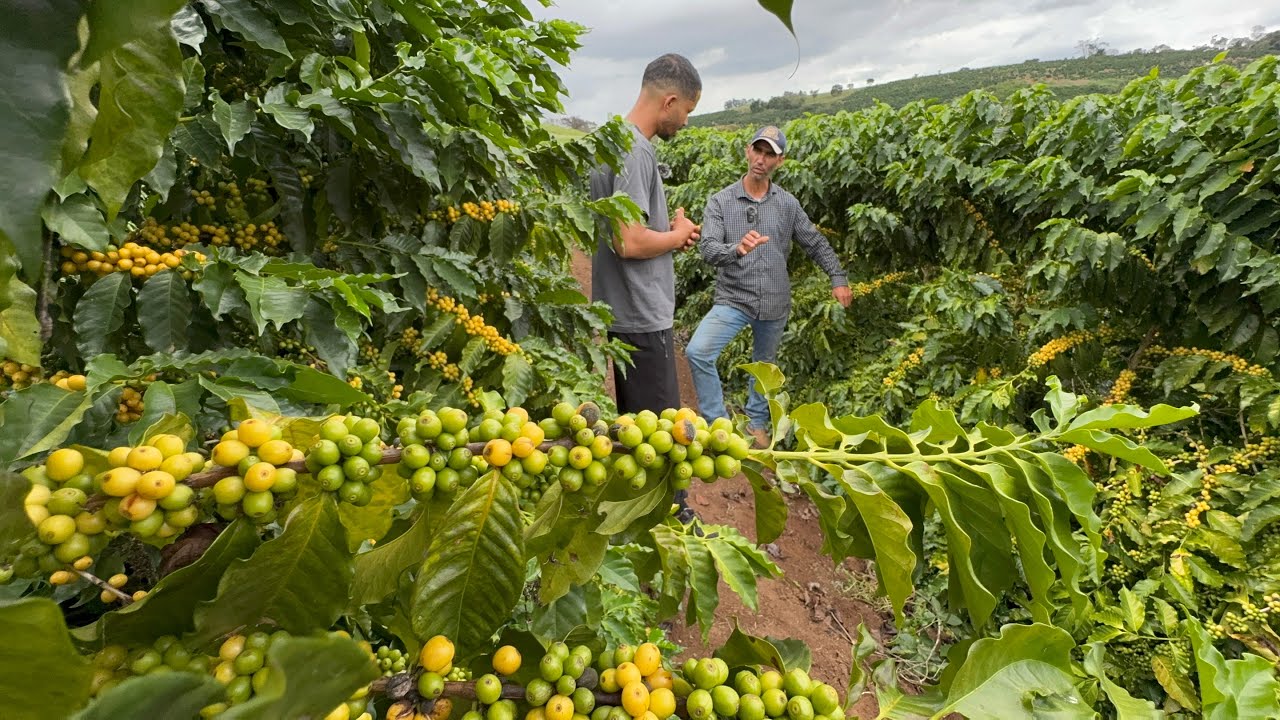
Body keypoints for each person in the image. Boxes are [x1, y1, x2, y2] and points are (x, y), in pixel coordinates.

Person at [686, 125, 853, 448]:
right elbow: (707, 249)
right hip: (733, 298)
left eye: (770, 154)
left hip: (775, 300)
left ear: (780, 161)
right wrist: (737, 249)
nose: (761, 159)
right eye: (758, 151)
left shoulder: (787, 205)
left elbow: (814, 242)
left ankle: (756, 423)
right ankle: (717, 421)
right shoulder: (721, 202)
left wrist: (837, 277)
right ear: (748, 150)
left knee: (765, 366)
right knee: (698, 351)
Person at [590, 53, 702, 416]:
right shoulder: (635, 151)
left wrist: (668, 235)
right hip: (641, 312)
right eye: (687, 109)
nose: (685, 121)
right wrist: (678, 235)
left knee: (635, 432)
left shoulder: (610, 141)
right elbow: (630, 241)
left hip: (623, 310)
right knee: (658, 439)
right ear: (669, 102)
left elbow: (626, 230)